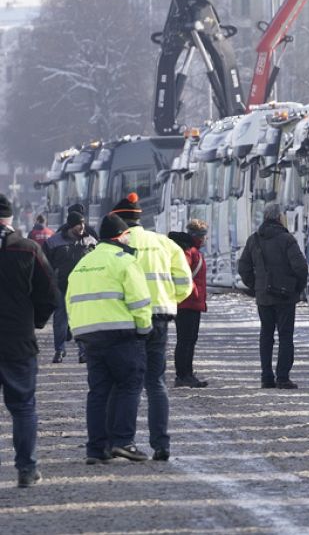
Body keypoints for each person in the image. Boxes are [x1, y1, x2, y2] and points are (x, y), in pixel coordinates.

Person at [109, 193, 192, 462]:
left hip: (128, 319)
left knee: (127, 382)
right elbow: (184, 283)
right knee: (156, 382)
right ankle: (161, 443)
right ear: (139, 217)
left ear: (119, 219)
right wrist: (169, 300)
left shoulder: (114, 244)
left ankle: (124, 440)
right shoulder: (165, 244)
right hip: (160, 318)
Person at [66, 214, 154, 465]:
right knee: (129, 385)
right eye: (127, 234)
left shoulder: (84, 262)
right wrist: (145, 329)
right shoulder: (124, 261)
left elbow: (69, 299)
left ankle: (95, 448)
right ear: (120, 236)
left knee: (98, 392)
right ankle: (123, 442)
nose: (129, 238)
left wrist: (78, 331)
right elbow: (139, 300)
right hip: (121, 334)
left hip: (89, 336)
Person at [0, 194, 59, 487]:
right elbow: (50, 293)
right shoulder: (28, 249)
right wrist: (34, 321)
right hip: (17, 341)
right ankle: (26, 468)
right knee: (23, 406)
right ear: (10, 218)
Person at [238, 203, 308, 389]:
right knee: (285, 336)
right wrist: (296, 288)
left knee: (266, 335)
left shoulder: (254, 240)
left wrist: (255, 286)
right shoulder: (287, 240)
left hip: (264, 297)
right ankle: (283, 377)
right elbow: (301, 267)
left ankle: (266, 377)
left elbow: (243, 267)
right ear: (279, 218)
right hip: (285, 297)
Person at [43, 210, 97, 363]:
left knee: (81, 320)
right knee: (60, 320)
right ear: (71, 225)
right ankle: (59, 350)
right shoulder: (54, 242)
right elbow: (45, 264)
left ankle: (83, 352)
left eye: (83, 223)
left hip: (82, 287)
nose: (82, 226)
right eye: (79, 224)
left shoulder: (90, 241)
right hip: (61, 286)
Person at [168, 220, 209, 388]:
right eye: (204, 236)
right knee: (186, 340)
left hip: (191, 302)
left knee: (188, 340)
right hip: (188, 303)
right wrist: (193, 291)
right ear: (198, 237)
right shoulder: (190, 252)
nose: (206, 239)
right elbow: (182, 274)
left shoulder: (189, 250)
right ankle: (183, 375)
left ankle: (186, 373)